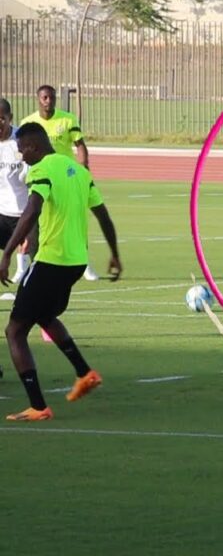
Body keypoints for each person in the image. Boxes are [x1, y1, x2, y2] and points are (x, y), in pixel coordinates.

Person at [0, 122, 121, 420]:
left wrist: (6, 253)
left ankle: (38, 407)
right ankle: (85, 372)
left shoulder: (41, 169)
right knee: (44, 316)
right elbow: (102, 214)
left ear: (34, 147)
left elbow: (32, 210)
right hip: (75, 262)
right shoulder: (80, 172)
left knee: (14, 331)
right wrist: (115, 254)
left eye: (22, 151)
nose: (21, 157)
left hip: (51, 261)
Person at [21, 84, 101, 282]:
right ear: (38, 99)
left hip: (65, 178)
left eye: (52, 97)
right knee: (34, 222)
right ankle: (25, 265)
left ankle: (85, 264)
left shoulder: (67, 119)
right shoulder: (28, 121)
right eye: (45, 98)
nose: (49, 101)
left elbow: (80, 146)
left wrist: (83, 170)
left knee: (75, 220)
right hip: (40, 178)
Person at [0, 99, 33, 286]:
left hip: (24, 210)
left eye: (1, 119)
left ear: (9, 118)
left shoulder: (21, 139)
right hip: (1, 211)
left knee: (31, 250)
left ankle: (25, 273)